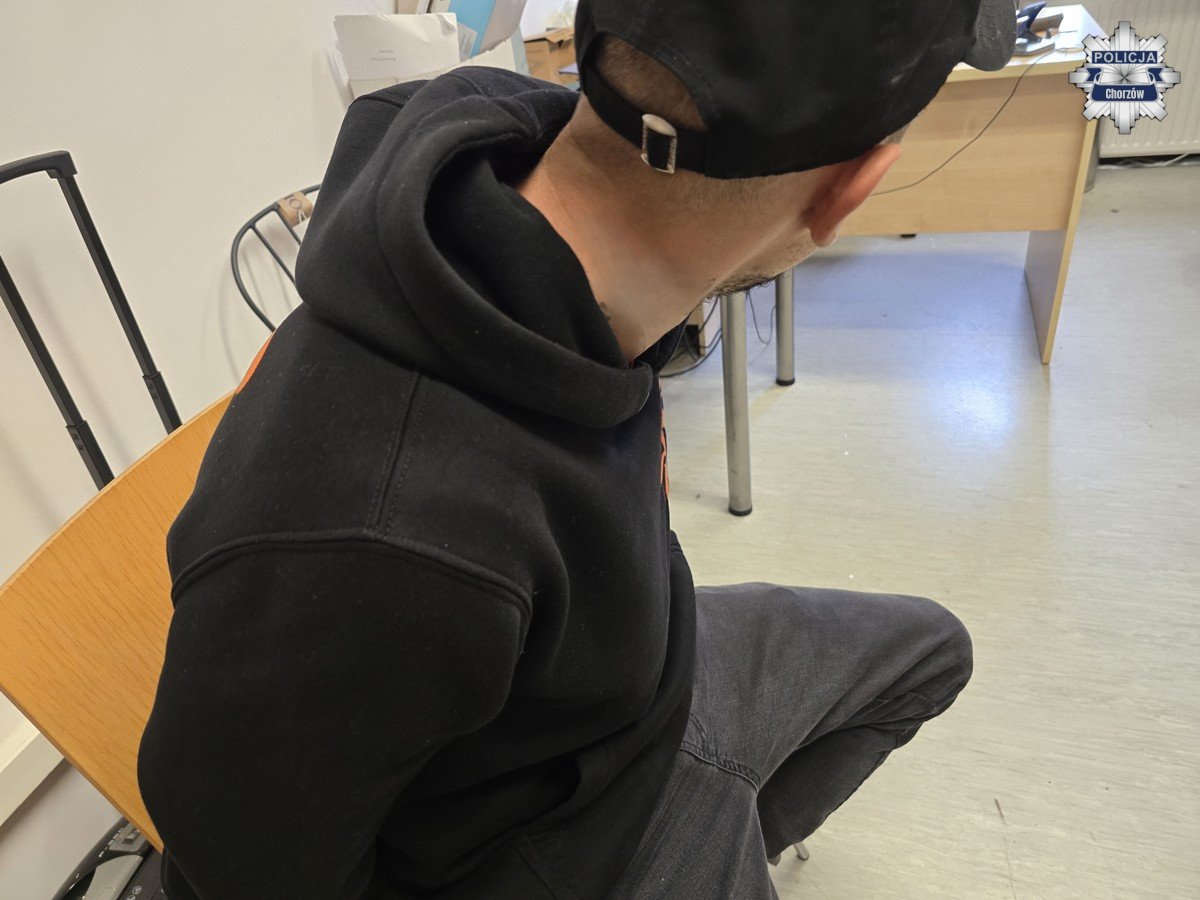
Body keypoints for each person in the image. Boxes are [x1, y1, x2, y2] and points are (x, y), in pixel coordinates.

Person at [136, 0, 1016, 897]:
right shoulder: (385, 542)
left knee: (930, 652)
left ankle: (723, 836)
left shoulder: (546, 216)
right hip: (545, 843)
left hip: (625, 685)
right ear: (847, 194)